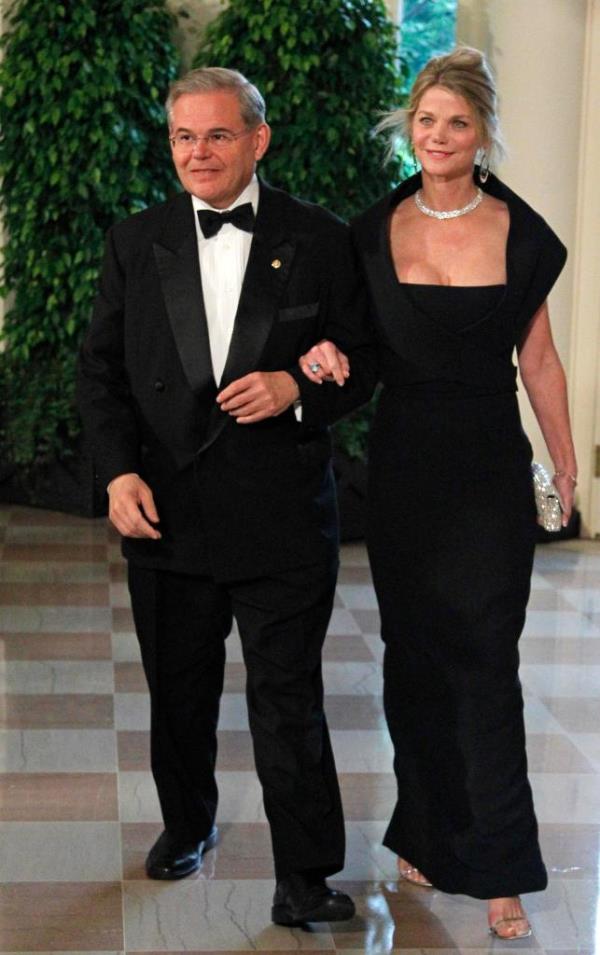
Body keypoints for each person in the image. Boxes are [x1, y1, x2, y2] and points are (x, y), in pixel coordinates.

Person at [77, 67, 374, 927]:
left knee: (289, 697)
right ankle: (188, 824)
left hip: (281, 511)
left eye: (216, 135)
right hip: (165, 510)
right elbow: (100, 373)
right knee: (179, 688)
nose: (197, 153)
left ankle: (305, 873)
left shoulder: (319, 237)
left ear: (258, 139)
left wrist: (297, 386)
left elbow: (360, 355)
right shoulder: (136, 241)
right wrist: (116, 472)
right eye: (183, 137)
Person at [299, 47, 577, 940]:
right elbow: (354, 346)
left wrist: (565, 463)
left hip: (490, 469)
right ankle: (422, 829)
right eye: (425, 121)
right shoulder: (372, 230)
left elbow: (537, 357)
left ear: (482, 132)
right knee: (413, 659)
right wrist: (325, 359)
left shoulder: (521, 233)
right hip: (407, 469)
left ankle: (501, 867)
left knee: (487, 663)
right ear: (407, 127)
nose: (438, 136)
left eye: (456, 122)